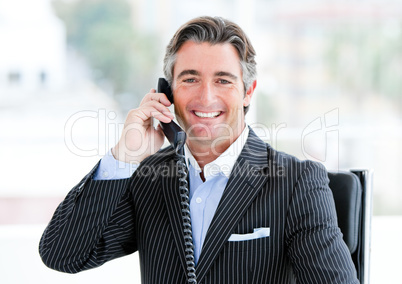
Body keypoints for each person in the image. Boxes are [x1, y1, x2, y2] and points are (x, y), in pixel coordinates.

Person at [39, 16, 359, 284]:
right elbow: (63, 254)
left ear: (248, 92)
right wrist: (124, 156)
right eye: (190, 79)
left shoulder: (296, 182)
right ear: (167, 91)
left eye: (223, 81)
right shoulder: (149, 178)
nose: (206, 98)